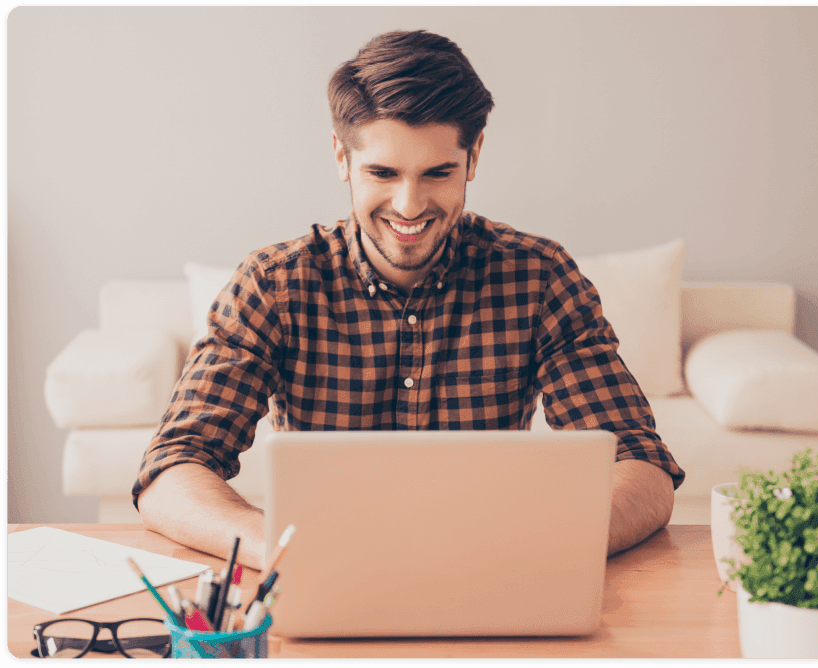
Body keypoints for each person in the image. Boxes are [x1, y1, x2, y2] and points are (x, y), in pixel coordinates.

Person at [133, 29, 685, 570]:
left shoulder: (539, 278)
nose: (409, 205)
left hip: (491, 574)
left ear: (473, 157)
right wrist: (281, 551)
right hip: (322, 578)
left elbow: (640, 462)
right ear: (341, 157)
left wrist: (546, 549)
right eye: (383, 172)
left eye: (437, 173)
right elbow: (172, 468)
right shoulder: (273, 285)